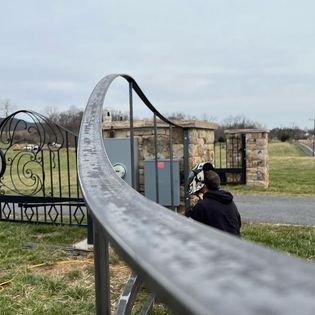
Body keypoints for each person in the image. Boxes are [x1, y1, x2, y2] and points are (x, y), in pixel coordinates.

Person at [186, 162, 241, 236]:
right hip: (236, 245)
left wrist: (190, 213)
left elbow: (192, 232)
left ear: (202, 186)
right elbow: (238, 225)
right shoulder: (229, 202)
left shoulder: (202, 206)